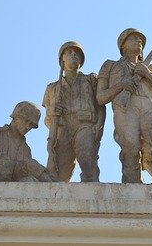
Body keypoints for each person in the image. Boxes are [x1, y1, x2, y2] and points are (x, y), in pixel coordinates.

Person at [97, 28, 152, 183]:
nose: (139, 41)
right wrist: (121, 85)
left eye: (141, 40)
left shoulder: (147, 69)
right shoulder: (110, 65)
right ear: (123, 45)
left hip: (149, 108)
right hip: (125, 108)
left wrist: (148, 74)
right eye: (133, 38)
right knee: (130, 148)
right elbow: (101, 97)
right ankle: (132, 183)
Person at [42, 41, 105, 182]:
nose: (73, 54)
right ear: (62, 59)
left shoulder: (90, 79)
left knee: (88, 162)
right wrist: (52, 112)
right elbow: (47, 120)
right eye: (69, 52)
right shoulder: (52, 88)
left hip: (85, 126)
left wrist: (98, 127)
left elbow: (101, 105)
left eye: (77, 53)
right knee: (60, 173)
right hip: (62, 129)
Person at [0, 101, 54, 182]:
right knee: (27, 165)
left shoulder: (26, 149)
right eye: (26, 121)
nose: (28, 126)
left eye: (31, 125)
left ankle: (54, 186)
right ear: (15, 117)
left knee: (32, 180)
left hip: (15, 184)